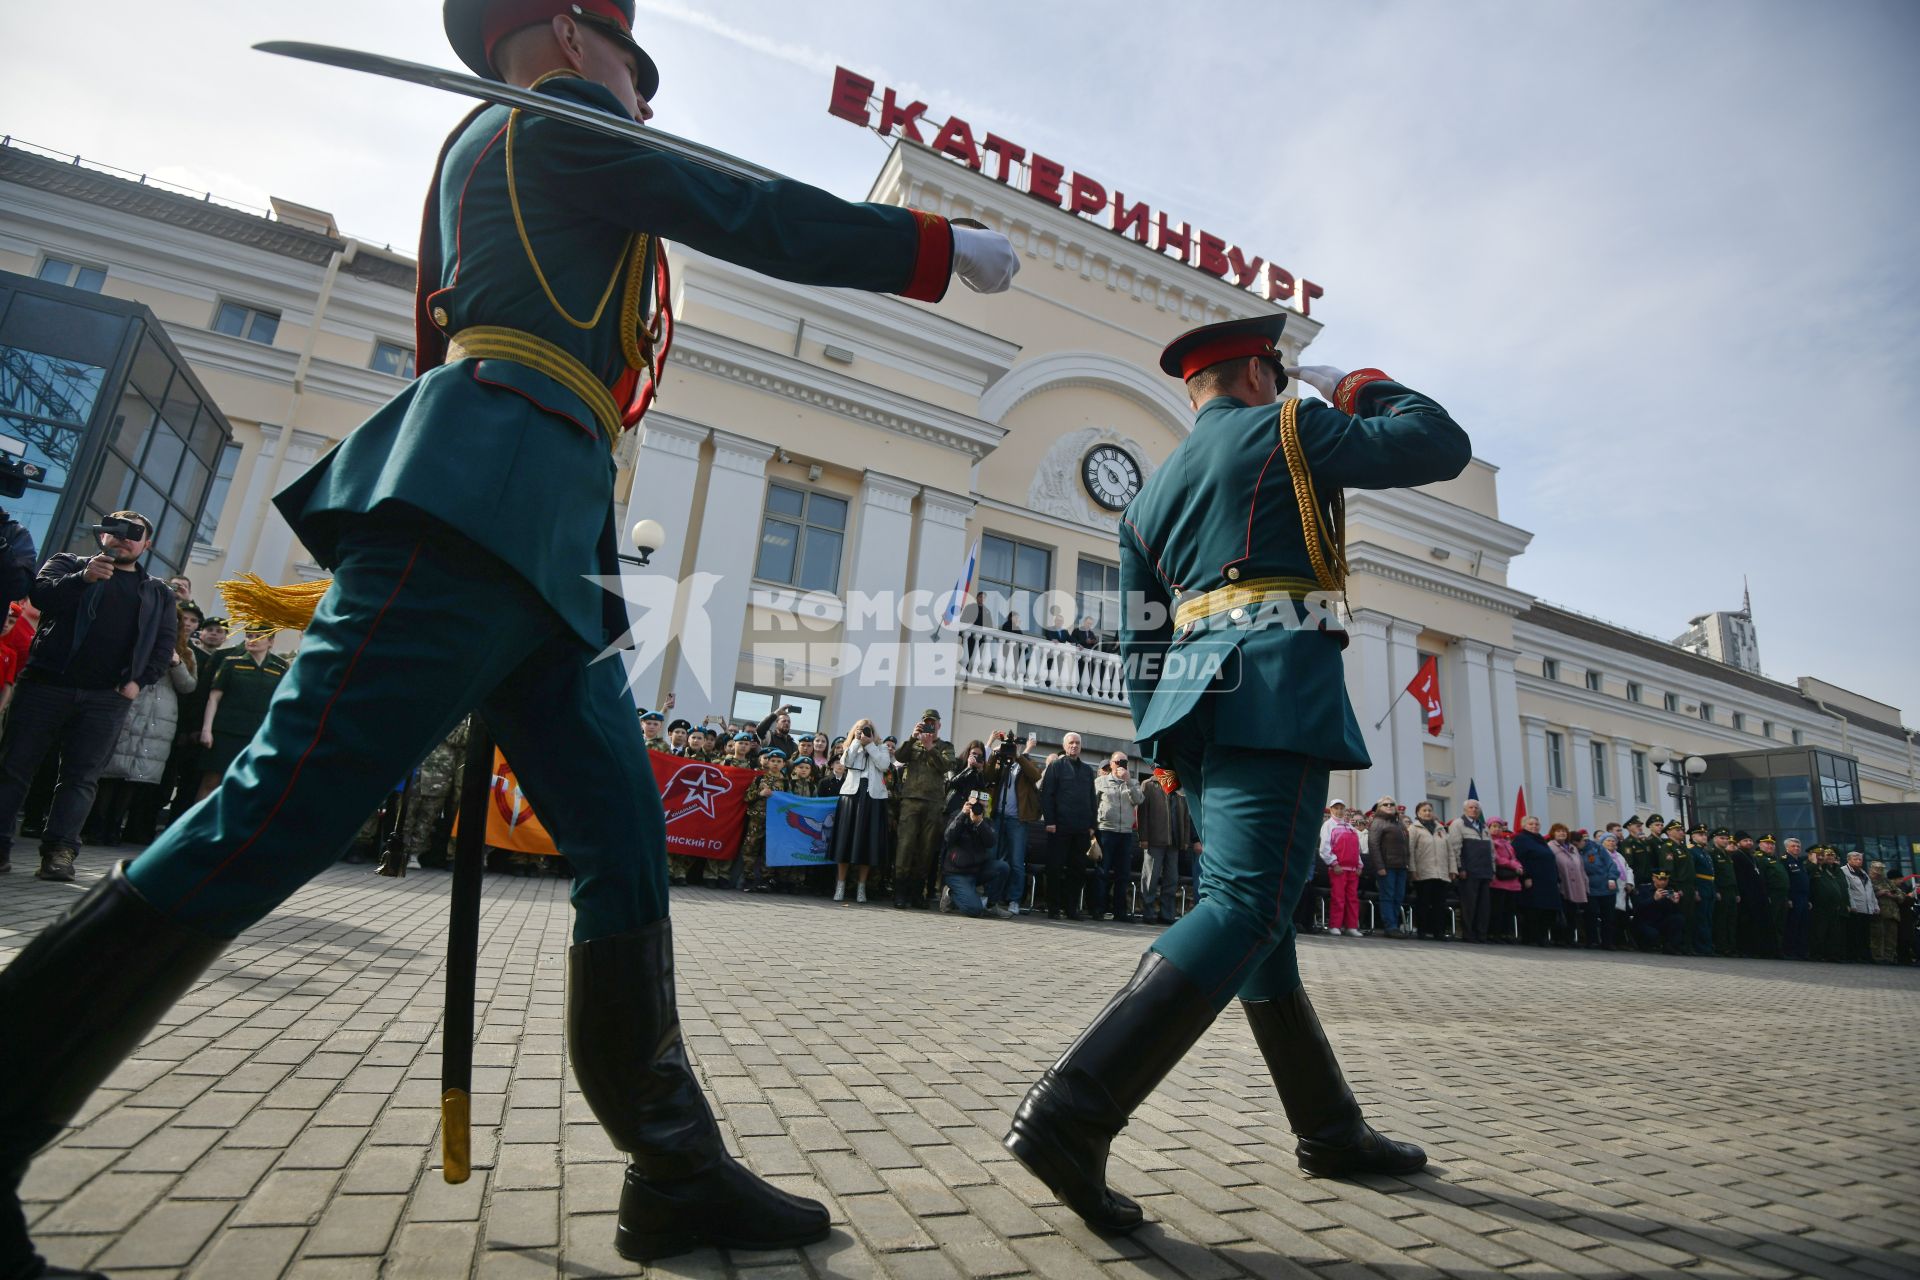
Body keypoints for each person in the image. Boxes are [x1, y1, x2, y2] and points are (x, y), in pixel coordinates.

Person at [0, 2, 1023, 1271]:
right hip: (483, 513)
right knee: (265, 822)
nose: (645, 99)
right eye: (634, 69)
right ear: (571, 36)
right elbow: (748, 212)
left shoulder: (514, 145)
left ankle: (674, 1166)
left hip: (539, 529)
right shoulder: (556, 123)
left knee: (625, 840)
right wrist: (931, 246)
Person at [1005, 314, 1466, 1234]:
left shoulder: (1150, 494)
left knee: (1259, 920)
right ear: (1262, 373)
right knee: (1248, 906)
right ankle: (1071, 1112)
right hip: (1272, 683)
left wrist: (1166, 737)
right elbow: (1438, 446)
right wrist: (1357, 388)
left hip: (1196, 704)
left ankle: (1329, 1129)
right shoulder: (1289, 427)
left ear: (1195, 389)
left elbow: (1139, 637)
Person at [0, 511, 178, 881]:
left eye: (134, 534)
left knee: (81, 778)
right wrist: (83, 578)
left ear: (148, 543)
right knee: (14, 767)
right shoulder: (67, 564)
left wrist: (138, 682)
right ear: (101, 536)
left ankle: (59, 853)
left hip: (106, 699)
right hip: (45, 686)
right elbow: (40, 596)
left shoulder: (157, 591)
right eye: (115, 531)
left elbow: (163, 645)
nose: (123, 539)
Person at [84, 608, 199, 847]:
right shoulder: (138, 638)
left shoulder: (185, 651)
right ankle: (96, 826)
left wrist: (176, 663)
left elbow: (188, 686)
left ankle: (115, 827)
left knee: (137, 774)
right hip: (131, 704)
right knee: (111, 771)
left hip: (160, 716)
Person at [195, 623, 292, 801]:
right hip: (226, 731)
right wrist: (207, 730)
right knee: (211, 781)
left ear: (270, 642)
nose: (252, 640)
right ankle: (197, 826)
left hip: (256, 734)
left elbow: (279, 704)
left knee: (244, 784)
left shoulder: (279, 668)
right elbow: (213, 698)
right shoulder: (231, 663)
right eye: (249, 636)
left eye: (258, 637)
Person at [892, 713, 953, 908]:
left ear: (939, 725)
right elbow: (899, 756)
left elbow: (947, 767)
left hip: (933, 803)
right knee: (905, 847)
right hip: (911, 801)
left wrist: (930, 748)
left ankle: (917, 893)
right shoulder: (913, 743)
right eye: (926, 723)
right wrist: (912, 738)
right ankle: (900, 893)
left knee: (926, 850)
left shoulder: (945, 747)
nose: (929, 727)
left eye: (932, 724)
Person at [1038, 732, 1097, 920]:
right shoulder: (1055, 766)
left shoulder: (1088, 770)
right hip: (1059, 827)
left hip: (1081, 828)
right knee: (1055, 869)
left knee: (1078, 870)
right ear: (1064, 746)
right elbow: (1047, 795)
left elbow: (1091, 799)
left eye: (1077, 743)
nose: (1074, 745)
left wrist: (1092, 824)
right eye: (1071, 743)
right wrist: (1050, 822)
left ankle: (1071, 909)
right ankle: (1053, 908)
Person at [830, 718, 890, 904]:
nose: (864, 732)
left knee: (867, 842)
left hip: (873, 797)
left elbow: (884, 765)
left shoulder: (881, 748)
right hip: (851, 796)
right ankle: (840, 885)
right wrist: (857, 742)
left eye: (867, 729)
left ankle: (861, 887)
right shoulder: (850, 746)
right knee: (845, 841)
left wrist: (870, 745)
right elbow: (846, 762)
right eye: (860, 729)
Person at [983, 730, 1041, 915]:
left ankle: (1014, 899)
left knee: (1016, 861)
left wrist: (1019, 756)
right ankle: (992, 896)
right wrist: (994, 754)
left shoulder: (1026, 762)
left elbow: (1035, 775)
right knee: (994, 857)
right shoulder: (1001, 762)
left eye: (1015, 744)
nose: (1011, 748)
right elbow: (988, 776)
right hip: (998, 816)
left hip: (1018, 819)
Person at [1138, 765, 1194, 927]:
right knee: (1150, 878)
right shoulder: (1148, 785)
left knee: (1171, 880)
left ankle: (1166, 914)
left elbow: (1185, 815)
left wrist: (1184, 840)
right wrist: (1144, 837)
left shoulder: (1179, 787)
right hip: (1155, 840)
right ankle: (1148, 913)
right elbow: (1142, 814)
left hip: (1174, 842)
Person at [1093, 751, 1144, 922]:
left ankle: (1120, 912)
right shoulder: (1100, 782)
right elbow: (1092, 804)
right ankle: (1098, 909)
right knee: (1102, 872)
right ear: (1111, 764)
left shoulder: (1133, 782)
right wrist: (1091, 828)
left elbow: (1139, 800)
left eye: (1125, 762)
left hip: (1125, 833)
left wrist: (1128, 781)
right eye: (1118, 761)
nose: (1121, 765)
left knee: (1123, 874)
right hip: (1106, 830)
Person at [942, 791, 1010, 919]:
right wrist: (963, 815)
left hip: (977, 870)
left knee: (1002, 867)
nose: (979, 809)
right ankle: (950, 893)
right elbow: (948, 836)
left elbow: (991, 842)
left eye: (983, 806)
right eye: (977, 805)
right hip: (957, 873)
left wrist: (979, 823)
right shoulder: (957, 815)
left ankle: (990, 905)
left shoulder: (986, 822)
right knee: (974, 910)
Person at [1447, 800, 1492, 943]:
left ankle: (1482, 934)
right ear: (1465, 809)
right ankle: (1468, 934)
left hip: (1484, 871)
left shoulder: (1483, 826)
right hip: (1468, 872)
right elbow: (1455, 848)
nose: (1474, 810)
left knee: (1484, 906)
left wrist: (1493, 870)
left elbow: (1492, 851)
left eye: (1476, 808)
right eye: (1471, 807)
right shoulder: (1458, 824)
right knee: (1469, 906)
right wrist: (1460, 868)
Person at [1366, 796, 1411, 938]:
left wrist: (1407, 863)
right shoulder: (1378, 822)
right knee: (1388, 896)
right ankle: (1390, 926)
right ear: (1379, 807)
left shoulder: (1399, 824)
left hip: (1401, 867)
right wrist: (1380, 866)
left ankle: (1394, 925)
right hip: (1387, 867)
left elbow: (1406, 846)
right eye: (1385, 804)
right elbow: (1373, 845)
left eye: (1392, 804)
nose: (1389, 806)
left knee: (1398, 896)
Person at [1512, 816, 1561, 947]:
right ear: (1524, 826)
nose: (1534, 826)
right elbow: (1519, 859)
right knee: (1533, 910)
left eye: (1536, 823)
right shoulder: (1521, 839)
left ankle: (1542, 936)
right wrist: (1525, 877)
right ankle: (1530, 937)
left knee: (1548, 911)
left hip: (1548, 881)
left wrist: (1557, 879)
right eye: (1530, 824)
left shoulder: (1540, 839)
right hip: (1533, 880)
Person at [1407, 801, 1450, 941]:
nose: (1427, 813)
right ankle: (1422, 931)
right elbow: (1410, 850)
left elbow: (1450, 852)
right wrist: (1412, 869)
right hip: (1423, 872)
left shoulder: (1441, 829)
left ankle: (1439, 932)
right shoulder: (1414, 828)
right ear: (1418, 813)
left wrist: (1453, 869)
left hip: (1441, 873)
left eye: (1429, 810)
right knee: (1423, 903)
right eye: (1424, 810)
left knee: (1440, 905)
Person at [1324, 811, 1364, 937]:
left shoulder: (1352, 829)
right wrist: (1334, 863)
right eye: (1341, 811)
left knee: (1353, 899)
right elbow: (1325, 848)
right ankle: (1334, 925)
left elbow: (1356, 850)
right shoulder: (1329, 826)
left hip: (1352, 870)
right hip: (1339, 869)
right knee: (1338, 897)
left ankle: (1351, 926)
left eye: (1347, 813)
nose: (1345, 815)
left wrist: (1359, 864)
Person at [1487, 818, 1524, 942]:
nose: (1497, 829)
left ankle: (1506, 933)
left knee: (1509, 910)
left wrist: (1518, 866)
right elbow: (1497, 858)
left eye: (1499, 826)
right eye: (1494, 826)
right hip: (1498, 880)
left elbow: (1513, 857)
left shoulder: (1506, 842)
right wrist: (1513, 865)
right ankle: (1494, 933)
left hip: (1511, 881)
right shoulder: (1489, 841)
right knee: (1497, 909)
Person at [1633, 870, 1685, 954]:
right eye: (1660, 879)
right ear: (1653, 878)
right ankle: (1644, 945)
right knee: (1652, 934)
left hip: (1659, 922)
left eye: (1665, 879)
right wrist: (1653, 899)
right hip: (1645, 922)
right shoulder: (1644, 889)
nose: (1663, 882)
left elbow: (1673, 912)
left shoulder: (1669, 891)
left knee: (1678, 919)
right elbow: (1637, 908)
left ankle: (1670, 946)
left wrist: (1675, 903)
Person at [1843, 850, 1878, 963]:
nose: (1858, 861)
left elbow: (1870, 891)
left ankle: (1865, 955)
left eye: (1860, 859)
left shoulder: (1863, 873)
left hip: (1866, 908)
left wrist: (1875, 905)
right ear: (1849, 860)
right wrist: (1852, 905)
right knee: (1854, 933)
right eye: (1855, 859)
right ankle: (1854, 955)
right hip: (1856, 907)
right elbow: (1847, 890)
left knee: (1865, 934)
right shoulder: (1844, 871)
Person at [1781, 838, 1812, 960]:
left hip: (1803, 897)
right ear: (1787, 848)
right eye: (1793, 846)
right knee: (1792, 925)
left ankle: (1801, 952)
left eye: (1798, 846)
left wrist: (1808, 899)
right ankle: (1790, 951)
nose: (1796, 848)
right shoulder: (1785, 861)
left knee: (1803, 926)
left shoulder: (1800, 861)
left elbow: (1804, 881)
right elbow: (1786, 881)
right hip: (1794, 897)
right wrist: (1787, 898)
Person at [1868, 861, 1901, 964]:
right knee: (1877, 936)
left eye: (1881, 869)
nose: (1878, 871)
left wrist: (1894, 896)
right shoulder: (1868, 881)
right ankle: (1877, 957)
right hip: (1878, 913)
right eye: (1876, 869)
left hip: (1892, 914)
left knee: (1891, 937)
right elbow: (1865, 895)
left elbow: (1901, 894)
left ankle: (1889, 957)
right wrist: (1879, 893)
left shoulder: (1887, 882)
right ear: (1871, 869)